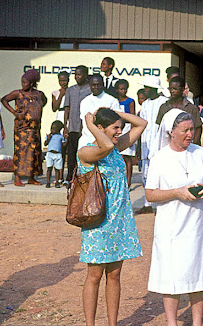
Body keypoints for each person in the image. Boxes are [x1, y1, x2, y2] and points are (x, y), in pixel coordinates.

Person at [146, 110, 203, 326]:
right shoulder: (159, 158)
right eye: (185, 130)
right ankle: (172, 322)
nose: (191, 134)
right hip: (172, 225)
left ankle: (197, 322)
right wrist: (177, 192)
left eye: (192, 129)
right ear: (171, 132)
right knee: (172, 274)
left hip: (198, 223)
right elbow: (151, 194)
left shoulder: (200, 153)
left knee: (199, 271)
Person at [77, 107, 147, 326]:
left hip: (120, 222)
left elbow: (142, 124)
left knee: (115, 275)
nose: (119, 131)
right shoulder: (87, 152)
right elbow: (105, 145)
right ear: (100, 129)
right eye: (115, 127)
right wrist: (89, 125)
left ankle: (112, 324)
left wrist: (117, 112)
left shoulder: (116, 149)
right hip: (98, 223)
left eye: (120, 128)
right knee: (95, 275)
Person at [2, 69, 48, 186]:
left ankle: (31, 177)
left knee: (34, 152)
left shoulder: (39, 94)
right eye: (22, 82)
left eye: (25, 82)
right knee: (20, 153)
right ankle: (17, 178)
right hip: (21, 129)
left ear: (32, 83)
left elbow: (45, 101)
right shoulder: (18, 93)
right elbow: (4, 99)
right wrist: (15, 112)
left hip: (35, 129)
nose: (23, 84)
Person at [137, 76, 169, 213]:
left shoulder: (164, 102)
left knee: (160, 175)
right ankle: (147, 204)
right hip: (146, 144)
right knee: (146, 175)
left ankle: (160, 204)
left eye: (147, 88)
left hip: (159, 145)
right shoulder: (145, 104)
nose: (145, 91)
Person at [63, 65, 91, 187]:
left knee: (85, 154)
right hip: (73, 127)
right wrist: (65, 126)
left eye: (79, 74)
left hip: (86, 128)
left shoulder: (90, 90)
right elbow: (67, 108)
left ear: (85, 75)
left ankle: (84, 178)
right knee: (71, 153)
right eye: (75, 74)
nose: (76, 77)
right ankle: (70, 177)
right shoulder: (70, 90)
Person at [156, 76, 203, 144]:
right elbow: (160, 128)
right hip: (168, 146)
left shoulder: (191, 108)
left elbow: (198, 128)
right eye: (170, 88)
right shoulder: (164, 107)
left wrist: (193, 145)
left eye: (175, 89)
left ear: (183, 89)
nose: (172, 91)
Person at [79, 75, 122, 148]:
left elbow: (118, 122)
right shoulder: (84, 101)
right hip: (86, 141)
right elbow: (82, 123)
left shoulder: (112, 101)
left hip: (104, 144)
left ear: (103, 85)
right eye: (94, 85)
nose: (96, 87)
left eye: (98, 84)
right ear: (90, 85)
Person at [115, 79, 136, 187]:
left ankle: (128, 181)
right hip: (117, 129)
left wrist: (132, 132)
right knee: (119, 156)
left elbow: (133, 117)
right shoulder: (114, 101)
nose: (123, 91)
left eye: (125, 89)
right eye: (121, 89)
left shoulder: (130, 101)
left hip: (127, 127)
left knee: (128, 157)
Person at [44, 120, 66, 188]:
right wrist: (48, 139)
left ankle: (57, 182)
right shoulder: (50, 136)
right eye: (51, 128)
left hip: (58, 154)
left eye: (53, 129)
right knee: (49, 168)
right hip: (50, 154)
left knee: (57, 169)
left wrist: (67, 139)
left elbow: (63, 145)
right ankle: (48, 182)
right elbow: (45, 144)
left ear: (58, 130)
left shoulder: (61, 136)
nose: (51, 130)